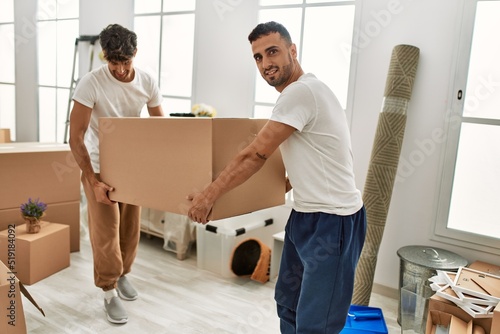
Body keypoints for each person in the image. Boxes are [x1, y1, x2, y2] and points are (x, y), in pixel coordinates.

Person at [187, 21, 366, 333]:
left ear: (292, 51)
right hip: (305, 214)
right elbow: (314, 153)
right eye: (258, 57)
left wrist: (208, 196)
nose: (265, 63)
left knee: (316, 324)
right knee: (289, 305)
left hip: (333, 221)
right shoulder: (301, 94)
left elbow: (255, 154)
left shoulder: (302, 92)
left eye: (272, 52)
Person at [69, 23, 164, 324]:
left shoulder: (147, 81)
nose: (120, 69)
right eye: (114, 62)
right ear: (104, 57)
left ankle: (123, 275)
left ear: (135, 54)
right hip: (99, 166)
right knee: (106, 231)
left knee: (129, 228)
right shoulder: (91, 83)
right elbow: (76, 136)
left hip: (131, 165)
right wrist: (92, 180)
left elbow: (162, 128)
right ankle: (108, 290)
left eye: (126, 61)